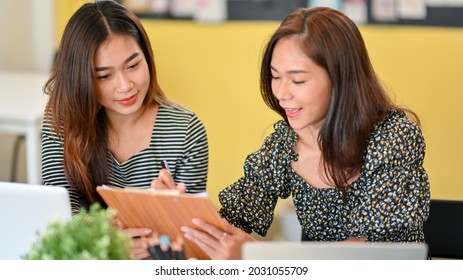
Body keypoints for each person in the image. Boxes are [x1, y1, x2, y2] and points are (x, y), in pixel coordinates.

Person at [171, 7, 430, 259]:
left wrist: (257, 255)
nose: (282, 93)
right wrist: (177, 209)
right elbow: (237, 214)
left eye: (298, 81)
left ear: (341, 79)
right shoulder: (286, 141)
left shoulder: (394, 137)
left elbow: (366, 251)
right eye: (275, 77)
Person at [41, 0, 208, 259]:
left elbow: (196, 240)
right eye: (104, 76)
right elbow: (61, 214)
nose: (125, 86)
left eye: (133, 66)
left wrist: (171, 214)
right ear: (82, 79)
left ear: (147, 56)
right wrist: (110, 241)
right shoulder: (62, 123)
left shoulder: (185, 130)